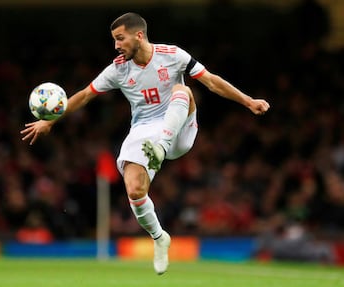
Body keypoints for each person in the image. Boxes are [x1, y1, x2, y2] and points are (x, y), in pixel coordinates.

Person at [21, 12, 270, 274]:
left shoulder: (172, 55)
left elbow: (211, 81)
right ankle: (160, 237)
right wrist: (50, 121)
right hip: (143, 130)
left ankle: (160, 148)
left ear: (138, 35)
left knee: (182, 90)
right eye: (114, 40)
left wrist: (248, 101)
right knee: (135, 190)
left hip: (179, 127)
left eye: (120, 38)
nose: (116, 45)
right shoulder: (118, 69)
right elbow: (84, 95)